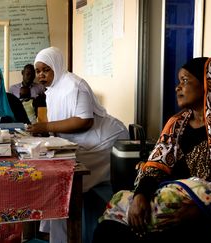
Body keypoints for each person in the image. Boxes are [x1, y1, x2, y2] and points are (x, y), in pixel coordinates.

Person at [92, 57, 211, 243]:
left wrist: (199, 211)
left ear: (207, 84)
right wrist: (141, 195)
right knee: (107, 230)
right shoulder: (177, 123)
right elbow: (156, 164)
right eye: (178, 81)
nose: (177, 87)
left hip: (203, 217)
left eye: (185, 80)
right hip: (165, 200)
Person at [26, 47, 129, 243]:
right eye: (38, 71)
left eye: (45, 70)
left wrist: (46, 126)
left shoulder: (75, 86)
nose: (41, 75)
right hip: (83, 142)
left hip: (104, 141)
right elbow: (61, 124)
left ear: (57, 66)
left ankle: (65, 237)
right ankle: (56, 235)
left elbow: (84, 121)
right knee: (56, 180)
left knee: (62, 182)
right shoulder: (53, 90)